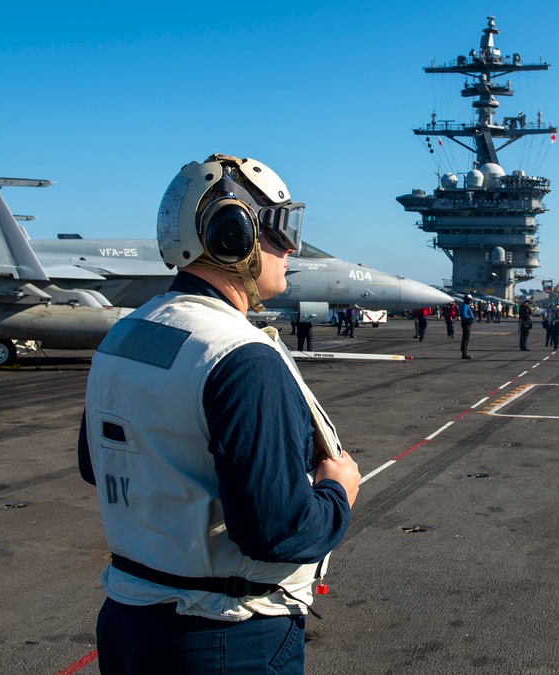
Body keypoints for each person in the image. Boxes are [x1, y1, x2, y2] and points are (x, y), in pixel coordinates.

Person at [77, 154, 360, 673]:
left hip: (127, 621)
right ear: (234, 234)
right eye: (278, 231)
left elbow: (97, 466)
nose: (291, 248)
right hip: (227, 636)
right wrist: (338, 491)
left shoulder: (122, 336)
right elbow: (278, 532)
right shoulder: (241, 356)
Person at [459, 294, 474, 359]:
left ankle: (464, 352)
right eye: (469, 300)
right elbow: (464, 315)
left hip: (467, 323)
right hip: (466, 323)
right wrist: (470, 317)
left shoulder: (465, 305)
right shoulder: (465, 306)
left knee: (466, 338)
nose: (470, 301)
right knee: (466, 339)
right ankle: (464, 353)